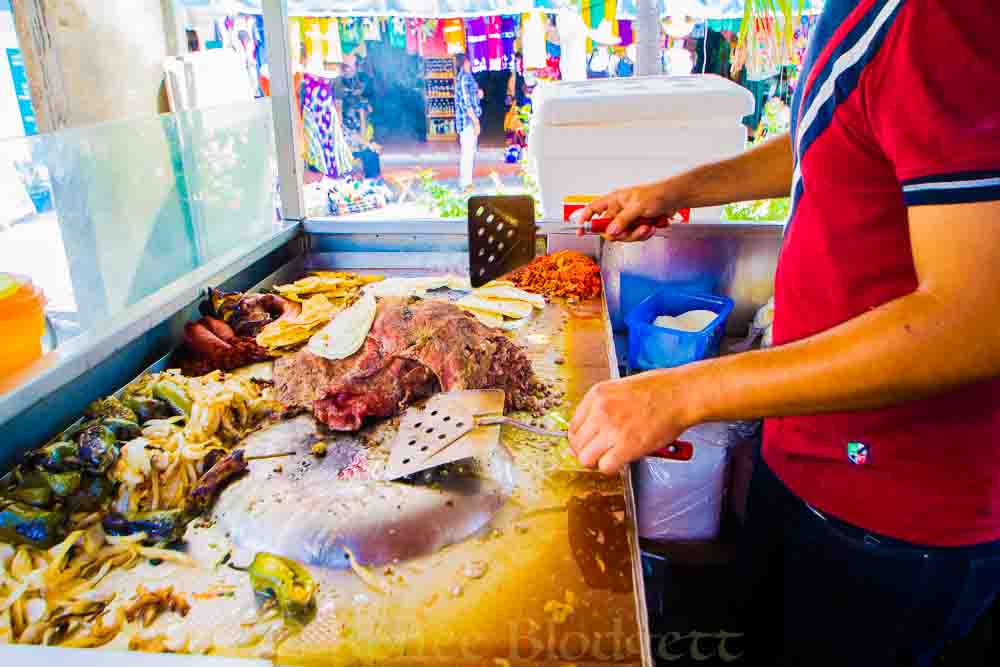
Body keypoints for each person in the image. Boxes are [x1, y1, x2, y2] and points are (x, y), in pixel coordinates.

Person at [571, 1, 1000, 665]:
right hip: (809, 459)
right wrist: (679, 189)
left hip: (889, 516)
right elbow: (830, 136)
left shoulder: (941, 18)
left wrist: (683, 393)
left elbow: (975, 321)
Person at [454, 53, 482, 191]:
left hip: (469, 120)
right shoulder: (464, 78)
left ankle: (467, 182)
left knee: (469, 151)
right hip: (467, 121)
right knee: (467, 153)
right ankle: (466, 183)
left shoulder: (467, 77)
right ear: (465, 62)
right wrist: (476, 122)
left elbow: (471, 97)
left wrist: (478, 94)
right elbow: (466, 104)